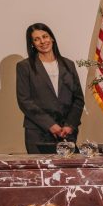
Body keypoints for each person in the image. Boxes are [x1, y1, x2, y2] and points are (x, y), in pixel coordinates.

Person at [15, 23, 84, 154]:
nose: (42, 41)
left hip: (66, 132)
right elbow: (25, 101)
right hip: (38, 132)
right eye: (36, 39)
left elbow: (78, 99)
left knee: (67, 174)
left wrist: (70, 125)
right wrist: (50, 125)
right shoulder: (24, 66)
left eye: (45, 36)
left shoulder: (68, 64)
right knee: (41, 173)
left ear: (52, 38)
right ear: (32, 44)